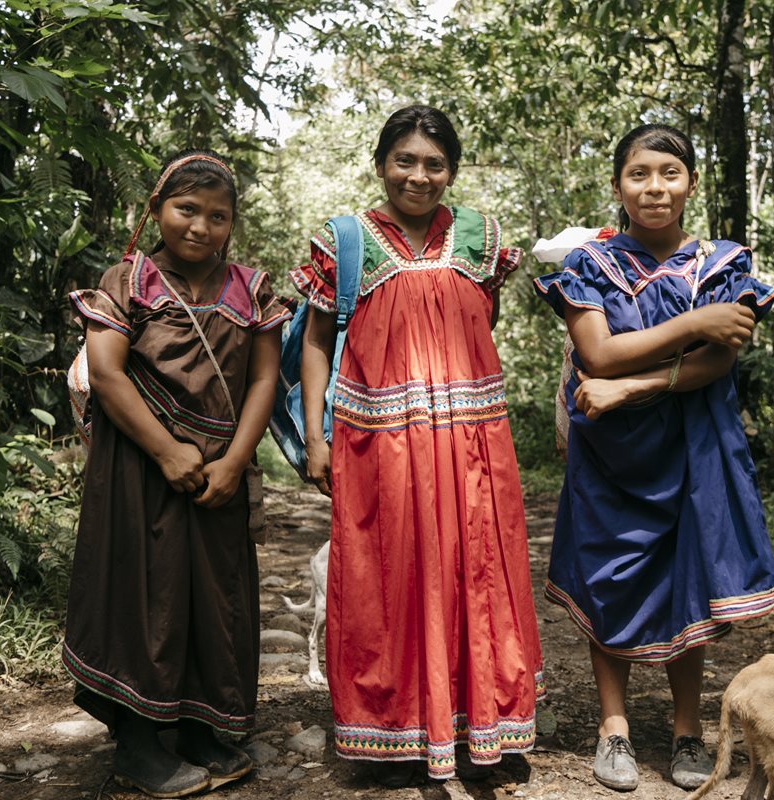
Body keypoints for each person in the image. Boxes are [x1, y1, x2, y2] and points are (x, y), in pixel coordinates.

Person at [292, 105, 544, 787]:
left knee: (479, 573)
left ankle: (482, 724)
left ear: (451, 171)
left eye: (434, 163)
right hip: (380, 446)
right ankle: (393, 732)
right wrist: (315, 436)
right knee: (386, 577)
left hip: (472, 445)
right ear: (381, 164)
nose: (419, 175)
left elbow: (475, 320)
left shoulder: (481, 237)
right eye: (405, 160)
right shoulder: (344, 241)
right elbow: (317, 342)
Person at [533, 124, 774, 792]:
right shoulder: (590, 266)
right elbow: (599, 354)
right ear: (618, 186)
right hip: (611, 455)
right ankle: (613, 727)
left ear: (691, 182)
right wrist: (694, 324)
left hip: (694, 451)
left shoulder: (721, 264)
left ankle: (686, 729)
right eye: (639, 174)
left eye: (670, 172)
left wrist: (633, 384)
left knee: (687, 579)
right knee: (607, 577)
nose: (656, 187)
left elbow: (720, 359)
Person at [63, 150, 289, 798]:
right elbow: (107, 372)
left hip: (218, 477)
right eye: (186, 209)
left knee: (214, 601)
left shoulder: (251, 289)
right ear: (157, 209)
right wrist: (165, 452)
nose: (201, 226)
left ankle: (197, 728)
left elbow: (265, 377)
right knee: (142, 598)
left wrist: (236, 461)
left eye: (218, 216)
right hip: (139, 474)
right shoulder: (127, 280)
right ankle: (135, 747)